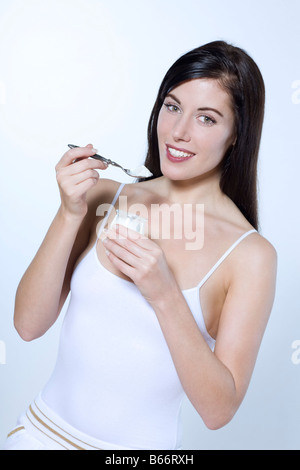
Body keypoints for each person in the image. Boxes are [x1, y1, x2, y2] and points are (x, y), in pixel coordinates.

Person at [4, 40, 277, 450]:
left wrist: (165, 294)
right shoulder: (105, 197)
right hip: (39, 436)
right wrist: (68, 213)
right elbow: (28, 325)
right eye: (172, 106)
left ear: (237, 133)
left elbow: (218, 411)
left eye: (206, 118)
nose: (179, 131)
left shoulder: (250, 256)